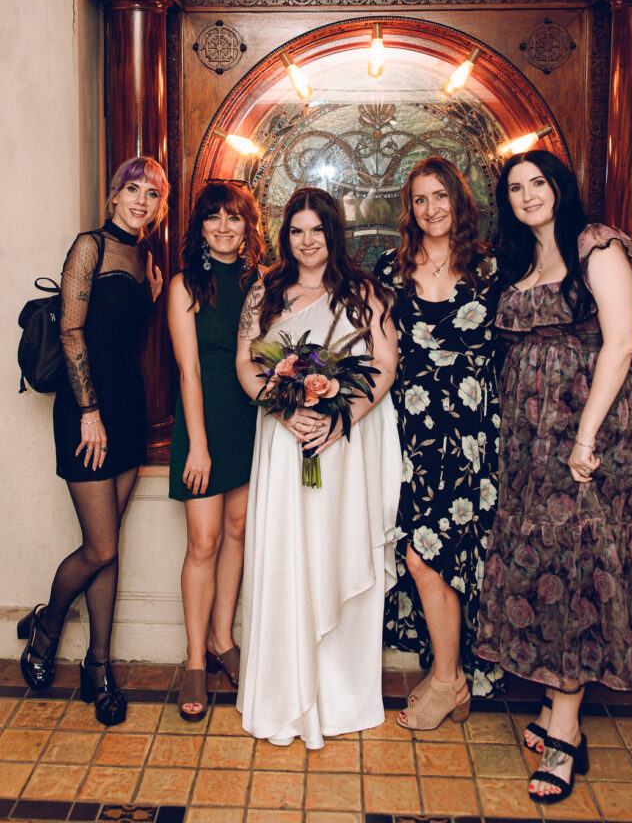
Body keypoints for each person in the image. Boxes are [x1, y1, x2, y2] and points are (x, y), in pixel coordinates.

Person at [477, 150, 632, 805]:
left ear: (560, 187)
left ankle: (565, 729)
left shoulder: (596, 245)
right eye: (515, 188)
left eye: (539, 183)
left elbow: (622, 342)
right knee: (541, 566)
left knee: (579, 569)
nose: (528, 195)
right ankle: (553, 704)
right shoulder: (522, 262)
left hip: (590, 437)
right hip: (529, 443)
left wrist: (584, 438)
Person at [235, 187, 402, 748]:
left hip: (341, 444)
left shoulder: (364, 292)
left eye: (317, 230)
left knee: (334, 551)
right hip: (284, 442)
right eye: (297, 231)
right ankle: (283, 693)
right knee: (287, 554)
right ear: (286, 236)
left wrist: (340, 418)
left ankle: (340, 695)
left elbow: (384, 364)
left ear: (334, 233)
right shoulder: (265, 290)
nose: (307, 242)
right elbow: (245, 361)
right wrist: (282, 409)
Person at [18, 156, 169, 726]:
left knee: (108, 544)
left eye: (151, 194)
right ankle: (47, 624)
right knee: (100, 548)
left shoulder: (145, 259)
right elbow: (72, 328)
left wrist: (151, 297)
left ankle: (97, 666)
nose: (140, 201)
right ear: (114, 196)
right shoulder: (90, 247)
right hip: (88, 412)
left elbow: (122, 333)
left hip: (128, 409)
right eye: (133, 189)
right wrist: (88, 412)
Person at [376, 155, 503, 731]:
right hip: (412, 431)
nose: (431, 209)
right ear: (410, 208)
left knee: (444, 553)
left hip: (471, 433)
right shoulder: (391, 268)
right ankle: (450, 677)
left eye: (440, 196)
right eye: (420, 199)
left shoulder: (489, 268)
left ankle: (449, 679)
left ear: (458, 198)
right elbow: (372, 346)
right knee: (421, 551)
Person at [168, 180, 264, 721]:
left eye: (234, 217)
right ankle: (194, 660)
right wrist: (198, 446)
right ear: (200, 227)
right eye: (213, 217)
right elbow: (189, 370)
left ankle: (223, 639)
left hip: (248, 417)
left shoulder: (261, 283)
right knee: (203, 542)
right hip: (202, 420)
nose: (224, 227)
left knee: (237, 530)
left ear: (248, 226)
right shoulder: (186, 285)